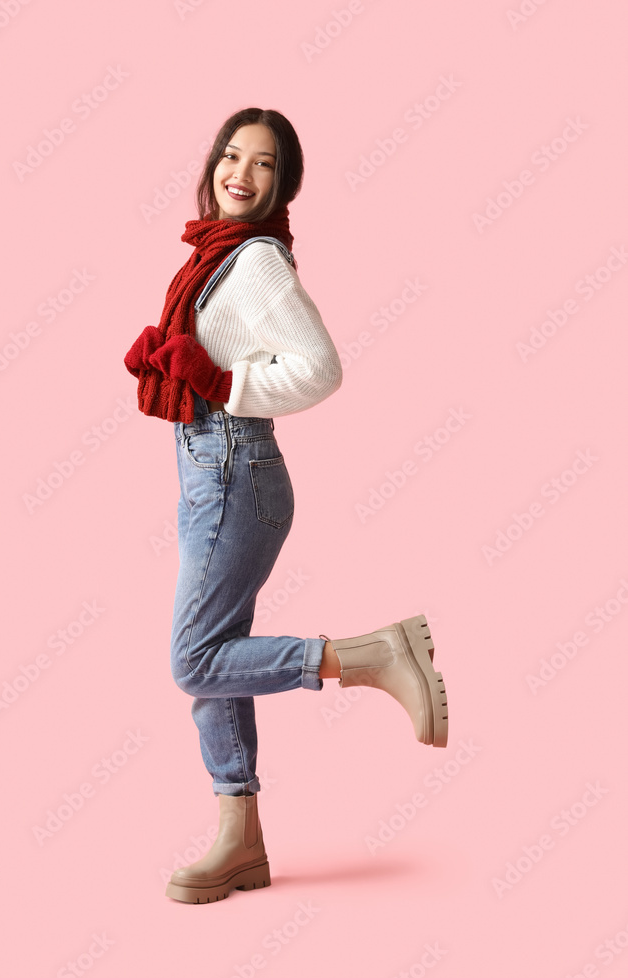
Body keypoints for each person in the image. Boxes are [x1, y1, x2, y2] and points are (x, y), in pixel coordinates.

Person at [124, 107, 448, 905]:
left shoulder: (258, 261)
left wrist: (220, 381)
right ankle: (240, 842)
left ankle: (370, 656)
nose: (241, 173)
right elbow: (211, 356)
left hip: (235, 470)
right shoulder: (215, 255)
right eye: (232, 155)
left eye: (263, 164)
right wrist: (183, 367)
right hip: (212, 469)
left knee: (193, 659)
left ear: (283, 184)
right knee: (215, 659)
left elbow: (320, 369)